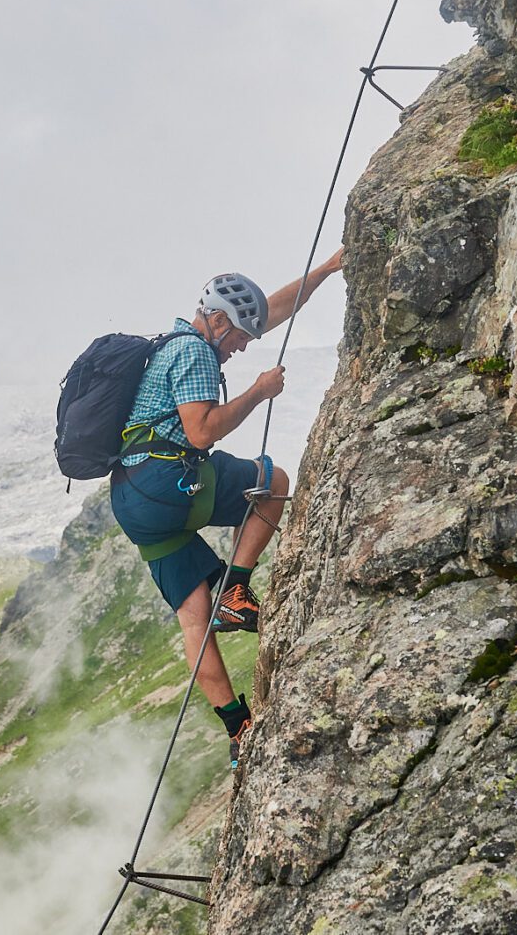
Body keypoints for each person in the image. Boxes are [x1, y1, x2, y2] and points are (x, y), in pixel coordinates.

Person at [109, 250, 344, 768]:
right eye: (238, 335)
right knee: (273, 481)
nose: (240, 346)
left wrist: (324, 272)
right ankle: (236, 589)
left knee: (195, 620)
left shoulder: (176, 345)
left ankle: (239, 730)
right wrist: (259, 392)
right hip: (167, 480)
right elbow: (202, 431)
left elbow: (270, 312)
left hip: (132, 499)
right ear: (216, 321)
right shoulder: (194, 352)